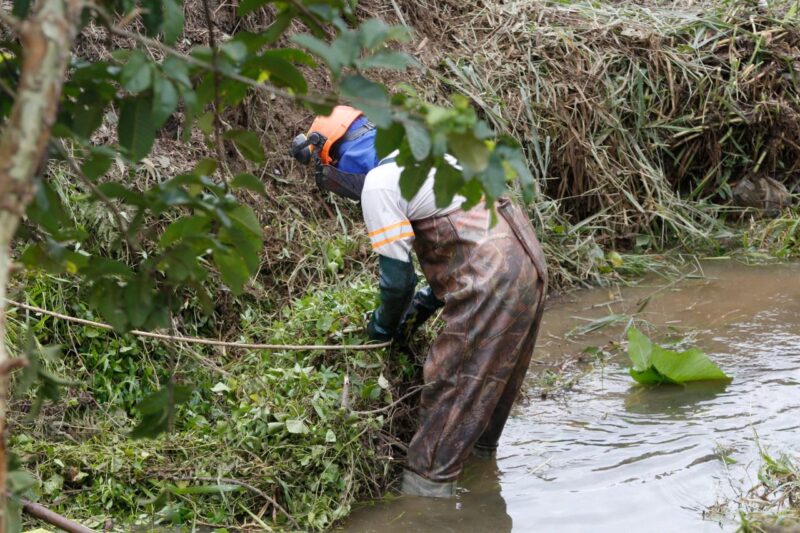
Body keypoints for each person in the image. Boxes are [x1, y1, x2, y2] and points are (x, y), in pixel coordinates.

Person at [291, 106, 548, 498]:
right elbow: (466, 234)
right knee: (494, 383)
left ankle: (425, 501)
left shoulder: (379, 182)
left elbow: (397, 282)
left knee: (453, 384)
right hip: (527, 260)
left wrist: (381, 330)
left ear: (340, 157)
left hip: (490, 280)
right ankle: (482, 483)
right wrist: (427, 303)